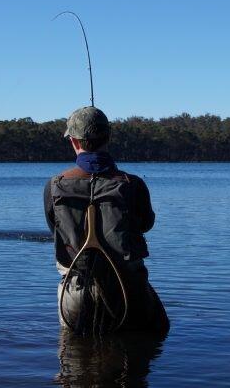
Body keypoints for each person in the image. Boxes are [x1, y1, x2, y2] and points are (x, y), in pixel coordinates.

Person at [44, 106, 169, 338]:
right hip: (127, 287)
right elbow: (145, 225)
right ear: (108, 138)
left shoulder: (54, 185)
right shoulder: (133, 184)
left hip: (75, 292)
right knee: (144, 350)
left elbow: (55, 229)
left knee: (74, 364)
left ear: (73, 141)